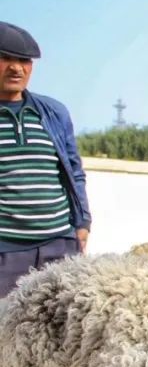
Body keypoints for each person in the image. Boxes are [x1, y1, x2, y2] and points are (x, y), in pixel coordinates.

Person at [0, 21, 91, 297]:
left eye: (24, 60)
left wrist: (83, 223)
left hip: (60, 246)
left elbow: (74, 171)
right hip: (6, 253)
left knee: (65, 333)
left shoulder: (53, 112)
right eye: (6, 58)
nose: (16, 68)